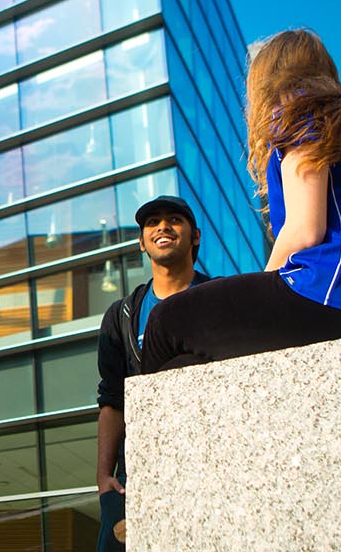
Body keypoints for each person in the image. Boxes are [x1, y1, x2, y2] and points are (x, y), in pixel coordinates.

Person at [141, 28, 341, 374]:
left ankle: (141, 431)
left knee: (165, 321)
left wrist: (259, 292)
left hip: (332, 293)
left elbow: (305, 230)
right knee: (185, 364)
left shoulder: (301, 108)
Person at [95, 196, 211, 551]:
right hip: (138, 473)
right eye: (152, 223)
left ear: (194, 237)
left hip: (207, 463)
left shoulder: (218, 299)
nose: (163, 226)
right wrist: (104, 475)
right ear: (142, 243)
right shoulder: (122, 315)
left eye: (175, 219)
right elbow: (113, 398)